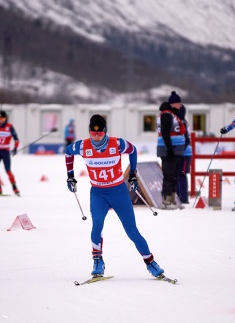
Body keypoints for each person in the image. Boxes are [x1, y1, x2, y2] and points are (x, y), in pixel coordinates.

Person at [65, 114, 166, 279]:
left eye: (99, 132)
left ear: (105, 131)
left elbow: (132, 150)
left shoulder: (117, 143)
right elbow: (68, 152)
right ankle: (97, 261)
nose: (96, 136)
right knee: (97, 224)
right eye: (93, 132)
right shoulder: (82, 146)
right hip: (98, 193)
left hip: (118, 192)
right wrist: (70, 176)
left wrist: (132, 175)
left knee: (131, 231)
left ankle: (150, 262)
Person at [156, 91, 186, 209]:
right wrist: (169, 148)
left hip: (174, 149)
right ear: (173, 104)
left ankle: (173, 199)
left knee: (173, 174)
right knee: (169, 174)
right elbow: (165, 132)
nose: (180, 106)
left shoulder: (172, 114)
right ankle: (166, 200)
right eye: (179, 103)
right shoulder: (167, 115)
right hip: (169, 149)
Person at [176, 105, 192, 204]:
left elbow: (186, 139)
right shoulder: (183, 121)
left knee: (181, 174)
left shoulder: (182, 122)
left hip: (184, 153)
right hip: (183, 152)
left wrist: (179, 150)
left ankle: (183, 197)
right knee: (179, 174)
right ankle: (180, 196)